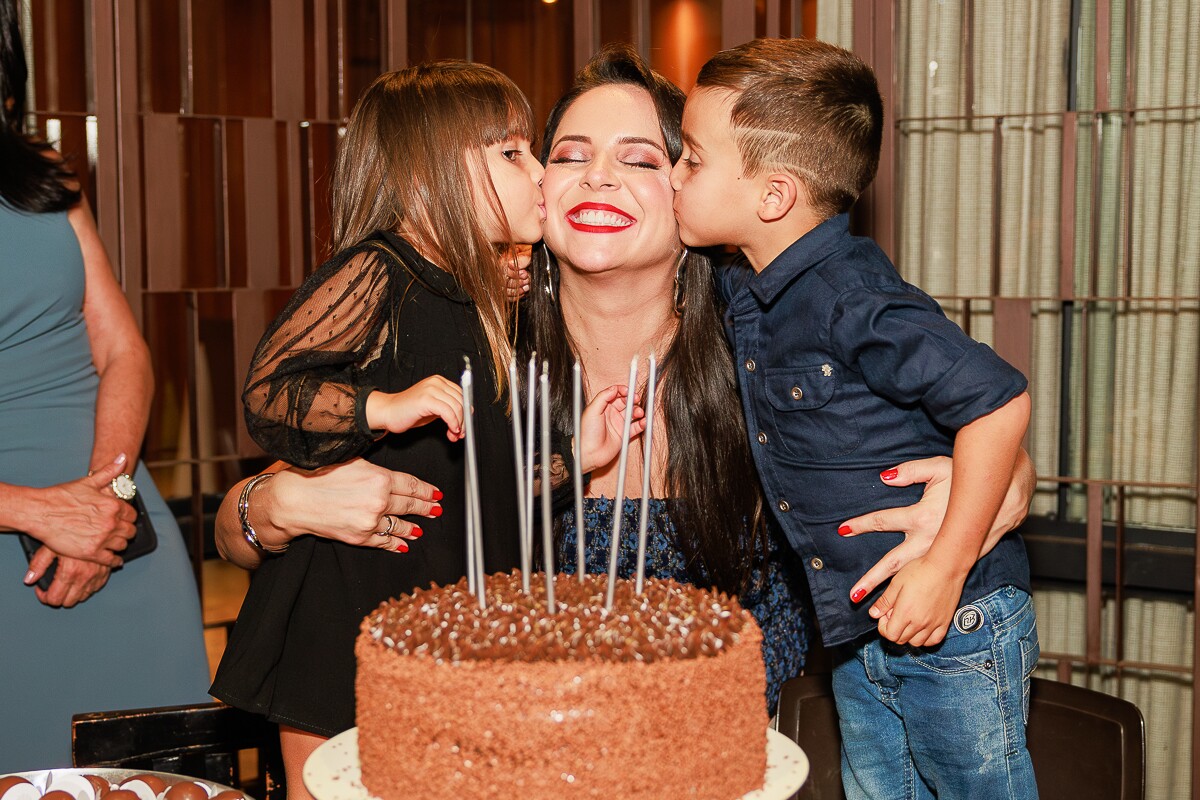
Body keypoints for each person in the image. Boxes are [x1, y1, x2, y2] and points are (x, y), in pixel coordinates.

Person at [209, 61, 639, 795]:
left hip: (441, 633)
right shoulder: (379, 270)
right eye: (511, 153)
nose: (538, 171)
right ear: (422, 179)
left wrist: (574, 459)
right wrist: (382, 407)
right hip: (346, 625)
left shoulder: (479, 306)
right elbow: (270, 394)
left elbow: (480, 484)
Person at [671, 37, 1039, 798]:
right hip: (856, 629)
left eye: (691, 159)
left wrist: (945, 566)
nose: (675, 175)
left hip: (954, 615)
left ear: (772, 196)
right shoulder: (750, 287)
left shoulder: (850, 295)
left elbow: (1000, 400)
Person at [0, 0, 210, 770]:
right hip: (20, 547)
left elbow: (123, 349)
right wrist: (33, 510)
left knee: (157, 774)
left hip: (121, 537)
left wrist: (107, 500)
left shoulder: (39, 180)